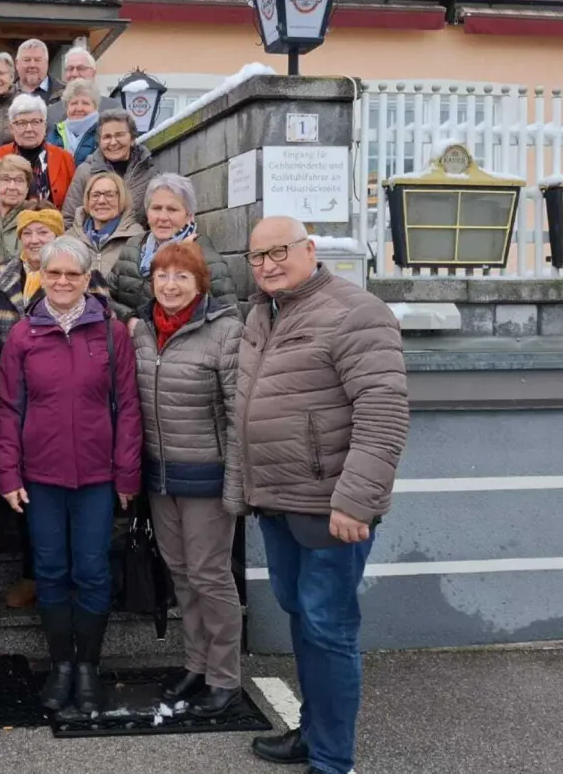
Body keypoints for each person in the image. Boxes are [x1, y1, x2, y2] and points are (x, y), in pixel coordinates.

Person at [230, 216, 409, 774]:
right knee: (303, 619)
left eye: (279, 251)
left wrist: (356, 500)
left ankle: (332, 761)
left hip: (332, 509)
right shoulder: (263, 314)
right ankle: (313, 733)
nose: (268, 265)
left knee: (328, 627)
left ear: (310, 249)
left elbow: (383, 413)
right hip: (279, 502)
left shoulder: (356, 311)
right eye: (257, 257)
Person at [0, 236, 142, 715]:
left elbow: (128, 409)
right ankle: (61, 664)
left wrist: (126, 476)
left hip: (98, 476)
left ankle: (88, 667)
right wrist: (9, 473)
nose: (61, 282)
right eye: (53, 273)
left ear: (86, 280)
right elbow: (7, 408)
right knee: (52, 570)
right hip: (41, 475)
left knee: (94, 570)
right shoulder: (23, 335)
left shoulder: (111, 333)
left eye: (72, 275)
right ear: (42, 276)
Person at [131, 242, 244, 718]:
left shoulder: (225, 332)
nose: (170, 285)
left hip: (208, 476)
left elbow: (241, 413)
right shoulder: (139, 331)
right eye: (162, 276)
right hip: (160, 475)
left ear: (201, 284)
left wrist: (238, 482)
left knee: (210, 576)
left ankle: (225, 677)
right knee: (180, 574)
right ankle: (196, 663)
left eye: (181, 277)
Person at [107, 173, 236, 325]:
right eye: (156, 208)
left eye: (172, 209)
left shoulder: (204, 256)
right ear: (147, 213)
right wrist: (128, 319)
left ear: (189, 216)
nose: (162, 217)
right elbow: (104, 298)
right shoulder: (133, 246)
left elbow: (231, 318)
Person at [62, 110, 156, 229]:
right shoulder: (86, 171)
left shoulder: (147, 171)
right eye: (107, 137)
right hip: (93, 245)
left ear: (132, 138)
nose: (113, 142)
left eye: (119, 135)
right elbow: (69, 219)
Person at [0, 94, 75, 209]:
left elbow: (71, 206)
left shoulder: (64, 158)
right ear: (11, 128)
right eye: (22, 123)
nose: (29, 129)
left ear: (44, 125)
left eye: (35, 122)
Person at [67, 171, 145, 276]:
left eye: (109, 195)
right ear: (87, 199)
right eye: (95, 195)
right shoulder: (69, 239)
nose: (101, 201)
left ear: (121, 198)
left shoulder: (137, 239)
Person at [47, 46, 116, 125]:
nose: (74, 74)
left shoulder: (113, 108)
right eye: (70, 69)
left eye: (81, 68)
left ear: (93, 73)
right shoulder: (51, 113)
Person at [46, 79, 102, 166]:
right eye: (74, 103)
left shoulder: (103, 132)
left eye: (85, 103)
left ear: (95, 107)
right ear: (66, 107)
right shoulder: (54, 133)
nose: (79, 108)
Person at [14, 38, 63, 104]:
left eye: (37, 60)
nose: (32, 65)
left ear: (46, 63)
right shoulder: (4, 94)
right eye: (27, 60)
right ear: (17, 63)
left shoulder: (65, 95)